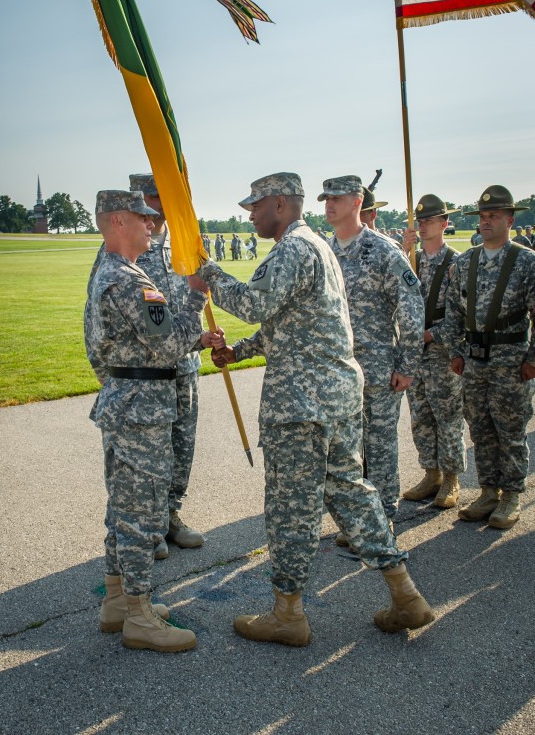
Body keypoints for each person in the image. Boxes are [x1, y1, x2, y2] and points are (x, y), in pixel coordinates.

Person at [198, 172, 434, 646]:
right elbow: (291, 322)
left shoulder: (293, 248)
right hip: (336, 397)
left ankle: (288, 614)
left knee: (290, 508)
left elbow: (253, 302)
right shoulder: (319, 248)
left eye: (256, 206)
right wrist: (239, 352)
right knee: (351, 493)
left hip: (301, 406)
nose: (250, 214)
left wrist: (206, 274)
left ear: (281, 204)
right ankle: (405, 594)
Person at [85, 188, 222, 652]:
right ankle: (139, 616)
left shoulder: (111, 271)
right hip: (142, 408)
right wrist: (195, 296)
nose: (153, 225)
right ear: (119, 221)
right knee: (141, 512)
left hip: (126, 400)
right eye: (143, 218)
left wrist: (193, 336)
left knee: (123, 506)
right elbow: (167, 343)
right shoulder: (130, 280)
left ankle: (118, 601)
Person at [88, 174, 207, 558]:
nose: (160, 206)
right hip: (143, 376)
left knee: (180, 446)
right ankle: (147, 529)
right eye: (153, 197)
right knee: (142, 461)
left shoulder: (183, 244)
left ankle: (170, 515)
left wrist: (201, 339)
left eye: (166, 196)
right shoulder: (123, 254)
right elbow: (95, 326)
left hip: (183, 366)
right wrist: (115, 380)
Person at [321, 176, 424, 528]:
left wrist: (408, 365)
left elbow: (411, 308)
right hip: (338, 372)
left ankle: (383, 521)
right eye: (325, 198)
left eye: (337, 198)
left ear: (356, 202)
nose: (328, 204)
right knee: (348, 451)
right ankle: (359, 522)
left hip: (379, 370)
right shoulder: (324, 251)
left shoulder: (382, 250)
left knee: (379, 449)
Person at [444, 185, 535, 529]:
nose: (485, 222)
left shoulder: (526, 262)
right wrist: (455, 351)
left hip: (511, 360)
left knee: (510, 429)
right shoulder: (466, 261)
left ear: (510, 220)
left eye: (493, 216)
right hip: (474, 359)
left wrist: (533, 358)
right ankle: (488, 491)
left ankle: (511, 495)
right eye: (482, 217)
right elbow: (452, 311)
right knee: (480, 428)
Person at [401, 195, 466, 509]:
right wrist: (403, 251)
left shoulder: (456, 263)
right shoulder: (409, 259)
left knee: (447, 416)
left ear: (445, 224)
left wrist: (429, 334)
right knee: (420, 416)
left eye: (429, 220)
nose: (423, 225)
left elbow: (460, 316)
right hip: (414, 353)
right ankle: (431, 473)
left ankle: (452, 478)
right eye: (419, 220)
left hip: (440, 350)